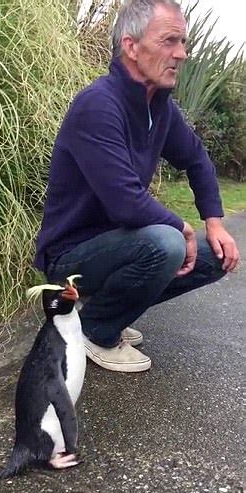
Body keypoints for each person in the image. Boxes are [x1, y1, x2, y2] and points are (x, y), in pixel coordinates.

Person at [34, 0, 240, 372]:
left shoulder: (159, 108)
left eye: (183, 42)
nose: (182, 53)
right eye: (169, 41)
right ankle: (96, 331)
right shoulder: (98, 106)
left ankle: (102, 310)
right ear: (131, 46)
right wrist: (183, 227)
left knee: (216, 257)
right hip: (71, 253)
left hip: (121, 244)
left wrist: (214, 221)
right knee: (167, 243)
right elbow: (125, 202)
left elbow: (196, 159)